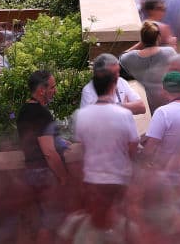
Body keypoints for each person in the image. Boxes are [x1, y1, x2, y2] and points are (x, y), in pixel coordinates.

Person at [72, 66, 140, 233]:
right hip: (118, 176)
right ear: (113, 86)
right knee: (118, 220)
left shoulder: (81, 115)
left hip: (92, 177)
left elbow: (82, 145)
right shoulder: (123, 114)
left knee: (96, 221)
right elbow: (133, 144)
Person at [16, 70, 68, 243]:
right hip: (45, 174)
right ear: (41, 90)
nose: (55, 90)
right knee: (49, 223)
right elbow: (49, 152)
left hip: (31, 173)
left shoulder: (24, 111)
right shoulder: (41, 114)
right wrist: (63, 177)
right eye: (52, 87)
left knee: (41, 221)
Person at [120, 21, 178, 112]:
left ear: (142, 38)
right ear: (158, 37)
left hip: (147, 105)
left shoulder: (130, 58)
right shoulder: (169, 52)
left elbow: (121, 56)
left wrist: (140, 44)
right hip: (168, 104)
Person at [80, 53, 146, 115]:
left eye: (118, 72)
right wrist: (126, 106)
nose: (117, 75)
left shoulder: (121, 82)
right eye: (114, 73)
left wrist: (118, 106)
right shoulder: (88, 90)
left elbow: (141, 107)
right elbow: (92, 117)